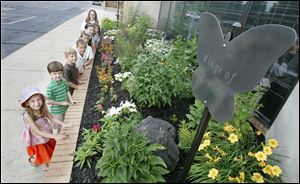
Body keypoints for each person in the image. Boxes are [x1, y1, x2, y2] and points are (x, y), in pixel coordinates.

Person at [19, 86, 71, 171]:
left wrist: (63, 124)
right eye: (33, 101)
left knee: (50, 150)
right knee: (44, 153)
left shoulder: (43, 108)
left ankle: (36, 160)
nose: (37, 103)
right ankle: (46, 166)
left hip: (46, 133)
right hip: (38, 138)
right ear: (27, 103)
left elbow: (52, 118)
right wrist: (55, 136)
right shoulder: (27, 115)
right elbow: (37, 132)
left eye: (39, 99)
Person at [46, 61, 77, 134]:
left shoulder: (63, 81)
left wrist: (71, 100)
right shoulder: (50, 87)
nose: (58, 75)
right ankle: (59, 138)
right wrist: (62, 103)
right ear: (50, 74)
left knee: (66, 123)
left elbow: (67, 91)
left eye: (59, 73)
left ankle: (65, 135)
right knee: (59, 128)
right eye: (54, 74)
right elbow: (48, 101)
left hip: (65, 108)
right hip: (57, 112)